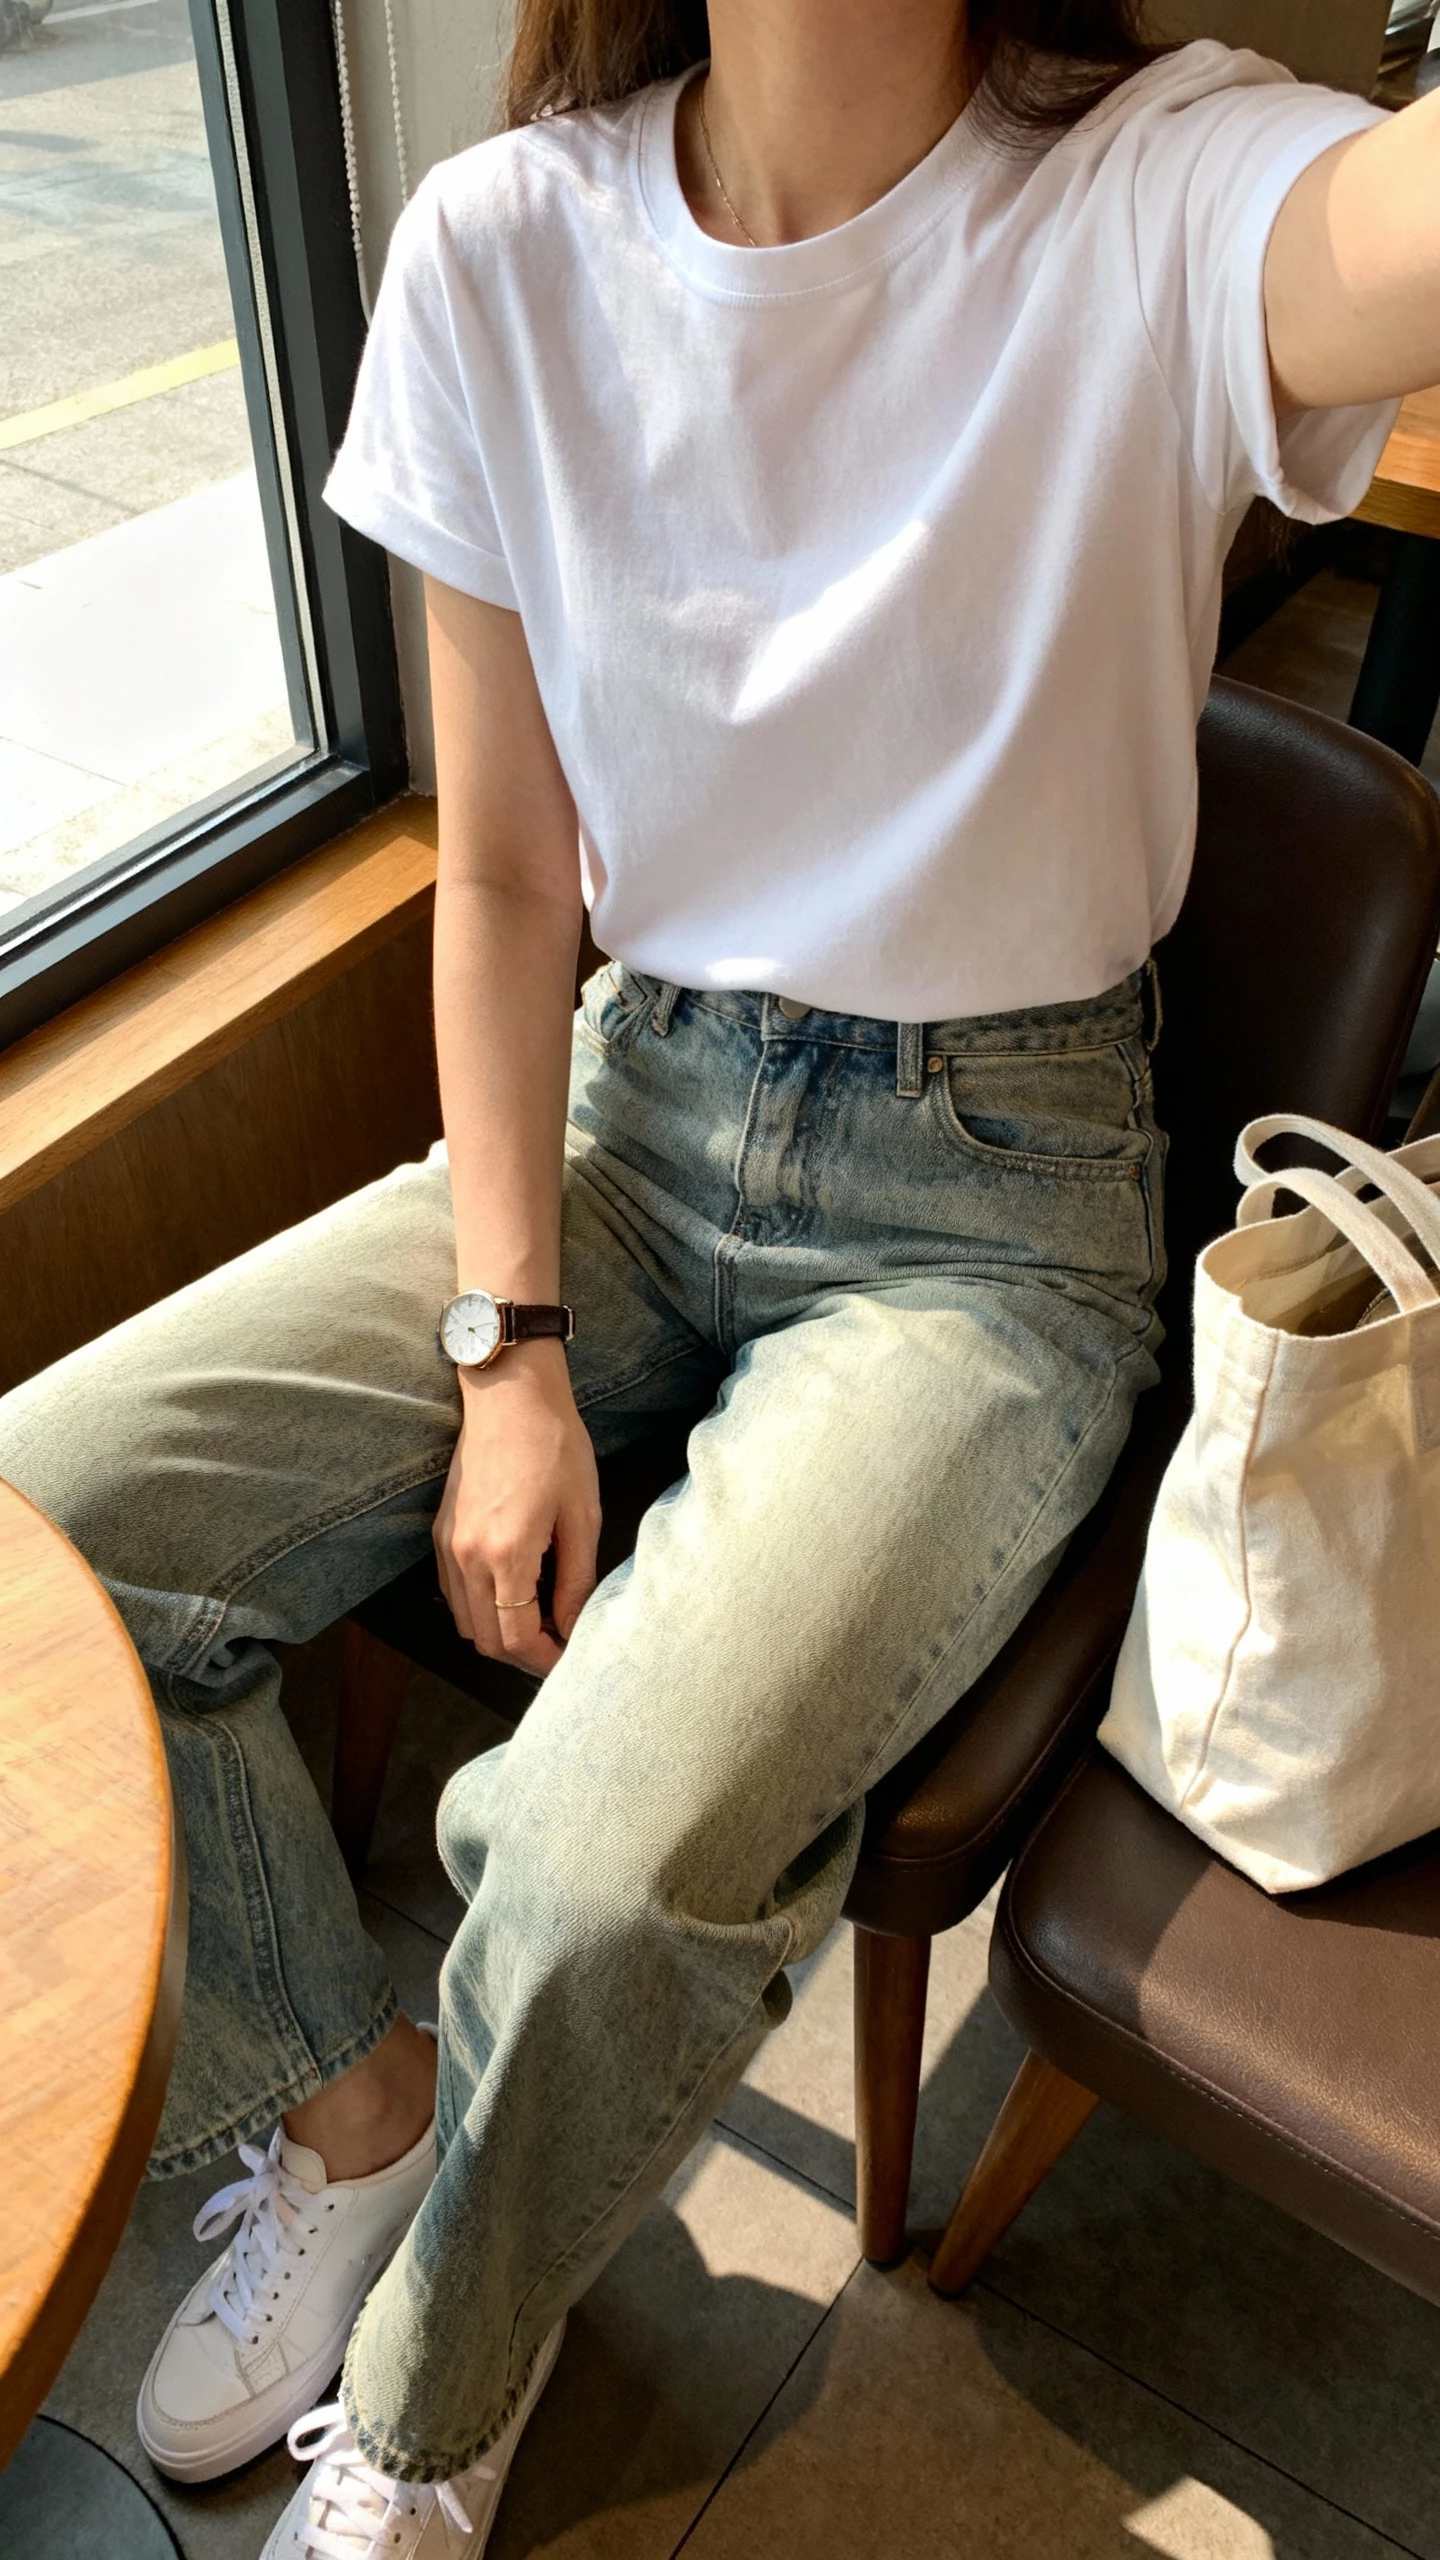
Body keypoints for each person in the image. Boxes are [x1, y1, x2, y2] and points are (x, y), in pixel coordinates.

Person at [3, 1, 1437, 2551]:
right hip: (630, 1119)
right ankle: (356, 2114)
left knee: (573, 1864)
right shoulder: (498, 245)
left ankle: (440, 2400)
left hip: (993, 1222)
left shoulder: (1147, 192)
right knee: (44, 1522)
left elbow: (1386, 246)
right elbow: (508, 874)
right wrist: (510, 1334)